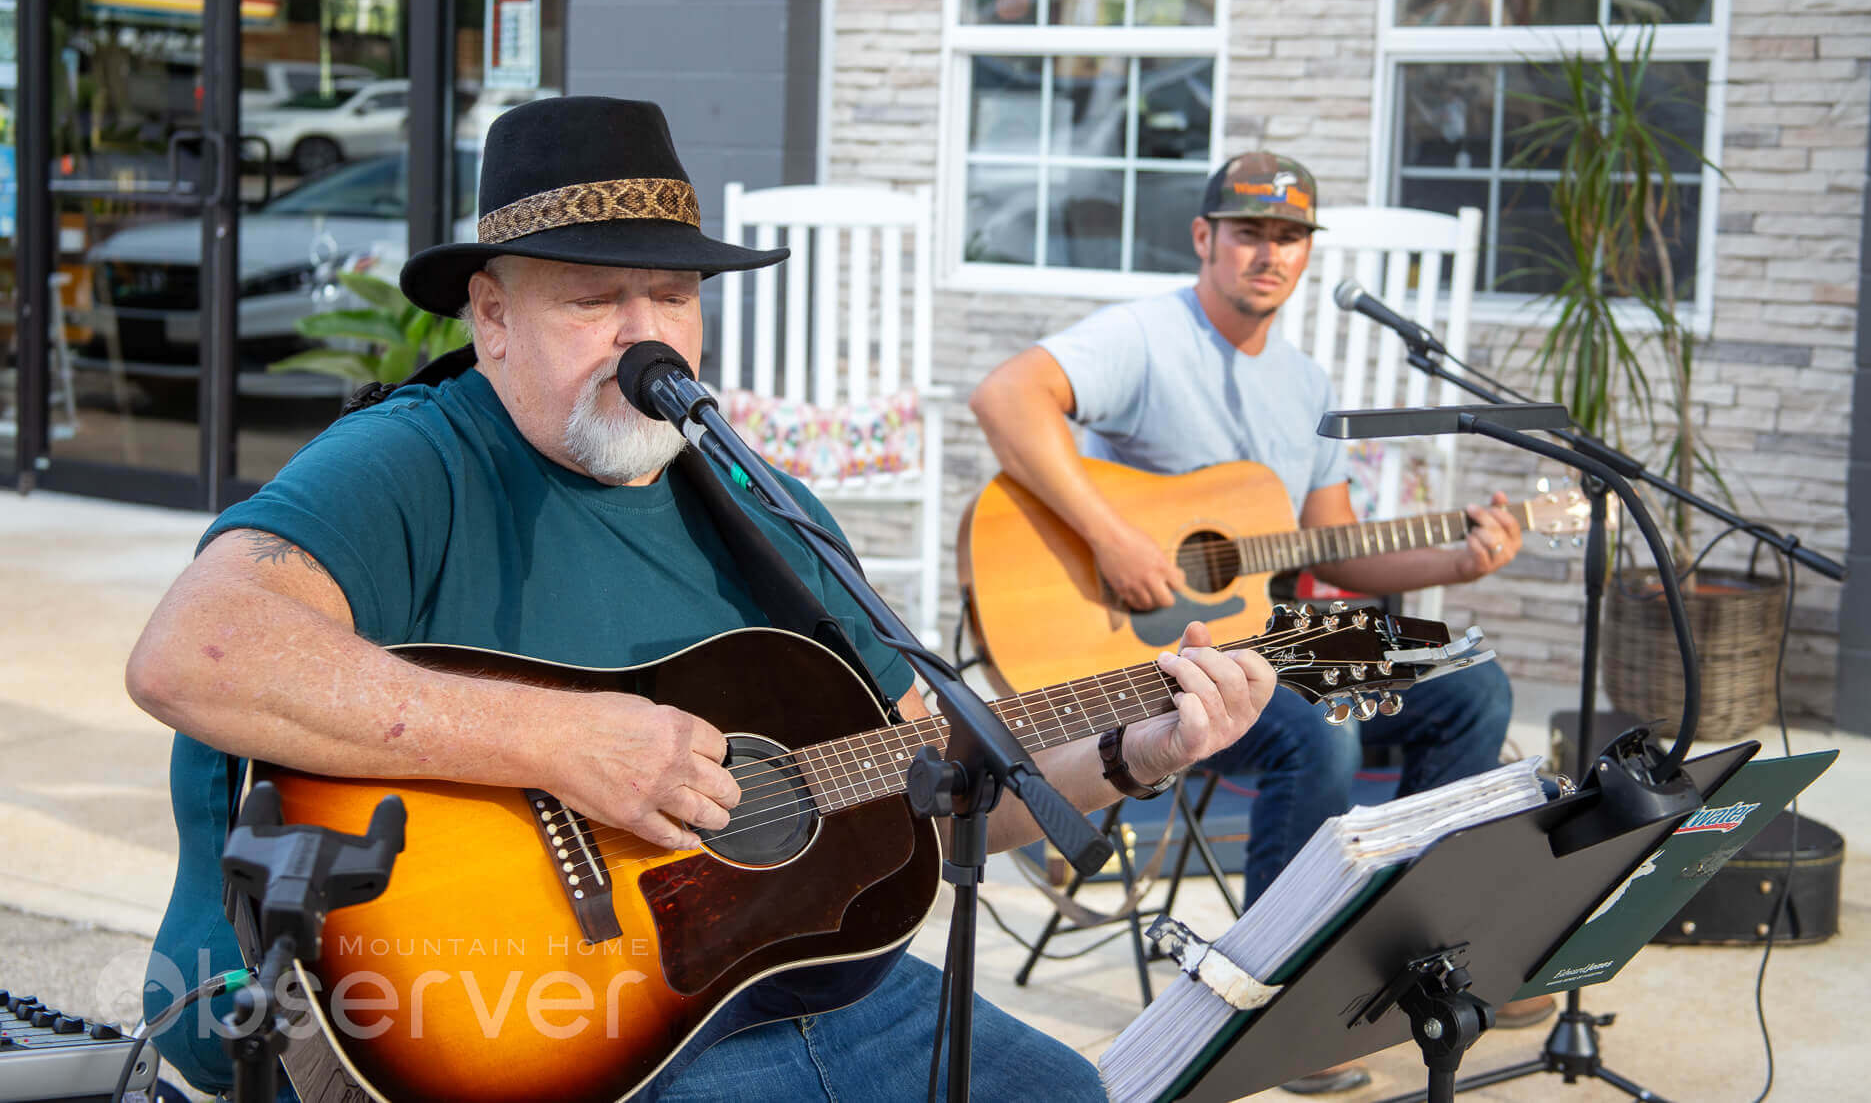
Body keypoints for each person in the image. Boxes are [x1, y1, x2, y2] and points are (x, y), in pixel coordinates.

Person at [125, 97, 1281, 1102]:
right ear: (491, 315)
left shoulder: (760, 504)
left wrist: (1141, 749)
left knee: (1068, 1092)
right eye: (595, 298)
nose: (646, 336)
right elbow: (196, 653)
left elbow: (935, 775)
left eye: (672, 295)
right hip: (537, 1019)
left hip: (781, 990)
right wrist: (563, 740)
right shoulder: (415, 459)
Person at [970, 152, 1547, 1094]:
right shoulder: (1147, 336)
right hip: (1160, 650)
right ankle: (1279, 998)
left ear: (1306, 255)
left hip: (1266, 638)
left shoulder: (1305, 383)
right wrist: (1114, 539)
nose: (1268, 253)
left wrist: (1457, 557)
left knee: (1466, 683)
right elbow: (1006, 397)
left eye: (1288, 237)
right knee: (1310, 734)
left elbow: (1333, 552)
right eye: (1249, 233)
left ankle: (1421, 950)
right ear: (1206, 239)